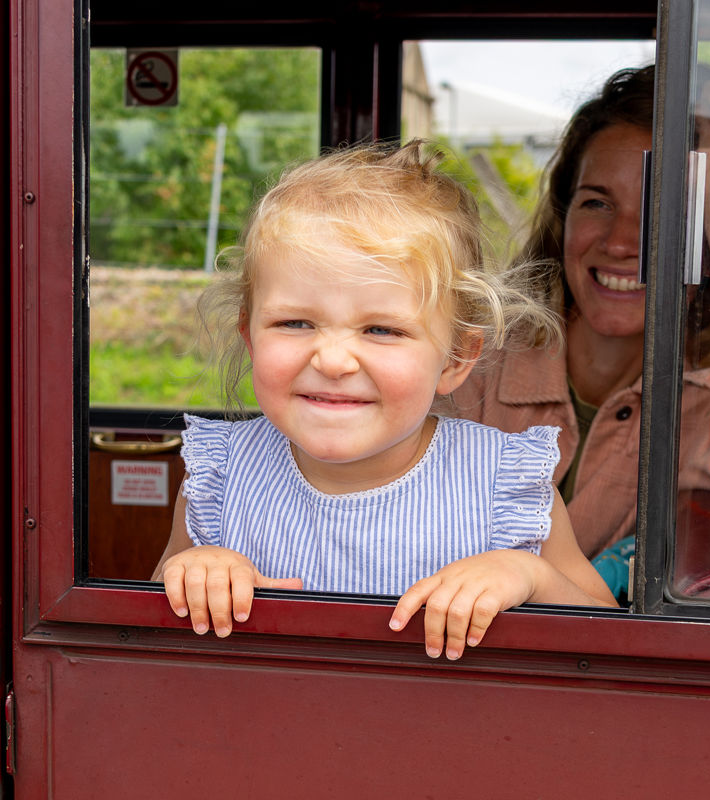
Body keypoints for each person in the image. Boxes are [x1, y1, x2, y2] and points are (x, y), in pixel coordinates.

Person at [152, 141, 618, 660]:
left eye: (381, 329)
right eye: (294, 323)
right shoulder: (221, 478)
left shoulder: (505, 486)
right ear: (250, 336)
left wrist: (531, 576)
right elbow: (146, 623)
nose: (332, 360)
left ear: (456, 358)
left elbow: (608, 636)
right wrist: (192, 572)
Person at [449, 65, 710, 590]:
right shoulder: (468, 359)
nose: (623, 242)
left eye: (664, 211)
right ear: (564, 219)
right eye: (597, 203)